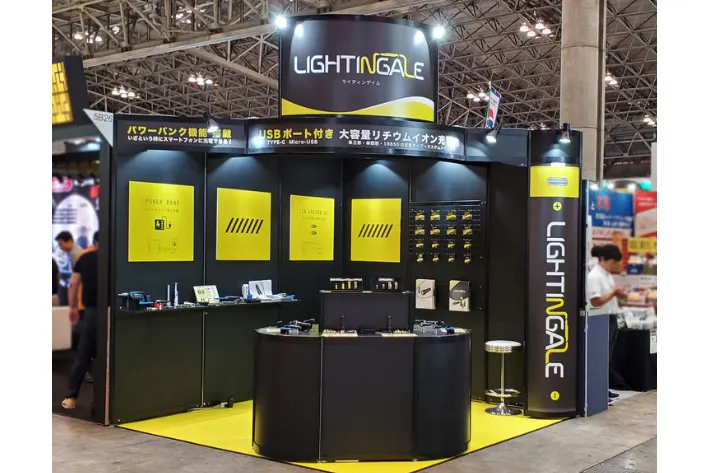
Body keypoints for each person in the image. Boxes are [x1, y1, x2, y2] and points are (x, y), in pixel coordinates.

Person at [586, 244, 628, 405]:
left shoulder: (606, 275)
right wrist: (614, 292)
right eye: (613, 262)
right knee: (601, 356)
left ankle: (604, 388)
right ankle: (599, 389)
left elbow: (609, 296)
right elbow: (595, 301)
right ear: (603, 259)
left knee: (607, 356)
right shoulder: (595, 276)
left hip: (611, 317)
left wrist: (619, 294)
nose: (615, 265)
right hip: (600, 319)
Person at [62, 231, 99, 410]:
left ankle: (71, 397)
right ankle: (103, 401)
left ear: (95, 242)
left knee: (84, 353)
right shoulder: (116, 260)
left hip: (91, 311)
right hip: (113, 312)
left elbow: (73, 283)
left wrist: (72, 307)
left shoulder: (84, 258)